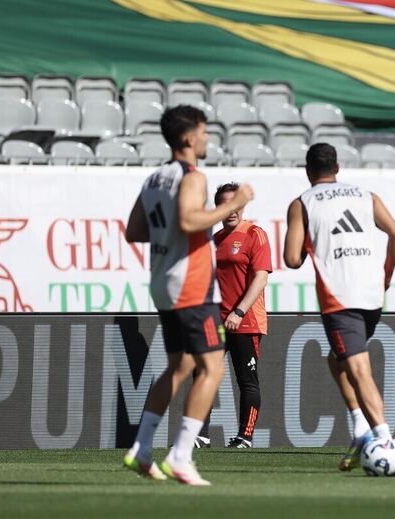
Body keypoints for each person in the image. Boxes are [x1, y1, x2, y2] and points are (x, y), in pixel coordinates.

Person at [122, 105, 254, 486]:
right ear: (188, 138)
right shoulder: (192, 176)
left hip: (163, 282)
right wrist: (233, 204)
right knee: (212, 368)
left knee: (179, 367)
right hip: (192, 285)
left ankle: (141, 447)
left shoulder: (154, 179)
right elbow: (188, 220)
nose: (208, 137)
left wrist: (169, 235)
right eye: (203, 131)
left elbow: (134, 231)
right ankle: (181, 456)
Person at [283, 143, 395, 471]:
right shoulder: (366, 195)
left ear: (308, 171)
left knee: (358, 368)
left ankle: (384, 441)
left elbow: (291, 259)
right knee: (338, 360)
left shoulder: (303, 203)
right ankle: (361, 427)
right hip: (372, 294)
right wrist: (386, 276)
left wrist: (310, 241)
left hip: (340, 297)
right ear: (337, 168)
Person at [213, 181, 272, 449]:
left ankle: (244, 437)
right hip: (216, 320)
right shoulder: (215, 240)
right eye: (225, 205)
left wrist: (238, 311)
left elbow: (261, 278)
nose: (232, 210)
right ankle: (200, 436)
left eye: (236, 204)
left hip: (245, 320)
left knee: (246, 380)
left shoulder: (254, 234)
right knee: (203, 376)